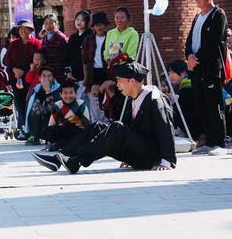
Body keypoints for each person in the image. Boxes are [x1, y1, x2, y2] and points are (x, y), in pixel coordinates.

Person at [33, 59, 177, 173]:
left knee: (116, 128)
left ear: (132, 81)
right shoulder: (132, 98)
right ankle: (58, 160)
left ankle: (76, 161)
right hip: (138, 151)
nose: (117, 85)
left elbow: (165, 129)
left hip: (150, 156)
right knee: (97, 126)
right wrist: (128, 153)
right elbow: (130, 130)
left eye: (120, 80)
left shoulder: (155, 99)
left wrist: (167, 160)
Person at [185, 0, 228, 155]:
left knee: (214, 105)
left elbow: (212, 42)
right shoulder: (197, 17)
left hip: (210, 70)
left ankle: (220, 143)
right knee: (202, 105)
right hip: (195, 69)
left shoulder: (218, 15)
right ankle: (209, 141)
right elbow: (189, 41)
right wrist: (188, 56)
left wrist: (197, 58)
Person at [6, 20, 42, 139]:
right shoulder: (13, 44)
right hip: (16, 79)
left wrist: (25, 72)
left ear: (31, 30)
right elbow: (8, 61)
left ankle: (32, 129)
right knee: (19, 104)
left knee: (31, 104)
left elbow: (38, 60)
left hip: (31, 79)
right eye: (21, 28)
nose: (23, 30)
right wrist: (15, 70)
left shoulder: (36, 43)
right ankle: (23, 129)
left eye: (26, 28)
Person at [45, 80, 91, 153]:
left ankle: (62, 145)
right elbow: (51, 124)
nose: (68, 96)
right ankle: (60, 144)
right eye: (65, 93)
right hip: (62, 130)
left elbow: (86, 124)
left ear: (75, 93)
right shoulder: (57, 105)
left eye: (71, 93)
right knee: (49, 130)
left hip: (76, 131)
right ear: (60, 94)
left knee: (81, 133)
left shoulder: (81, 104)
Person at [24, 66, 61, 145]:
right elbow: (30, 107)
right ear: (39, 78)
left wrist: (48, 91)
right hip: (40, 120)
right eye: (43, 76)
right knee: (35, 110)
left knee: (50, 113)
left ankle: (51, 137)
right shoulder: (35, 90)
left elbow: (53, 108)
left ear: (54, 78)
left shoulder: (59, 90)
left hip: (54, 121)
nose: (46, 78)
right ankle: (34, 135)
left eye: (49, 76)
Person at [82, 12, 110, 92]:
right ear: (94, 26)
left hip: (107, 72)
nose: (99, 27)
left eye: (101, 24)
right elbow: (85, 60)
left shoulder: (110, 37)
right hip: (93, 72)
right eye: (96, 25)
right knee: (94, 97)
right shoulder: (88, 40)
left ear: (105, 25)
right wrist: (85, 77)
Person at [39, 13, 68, 82]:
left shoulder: (61, 37)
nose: (48, 26)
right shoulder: (44, 38)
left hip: (59, 72)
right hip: (47, 73)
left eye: (51, 23)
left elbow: (67, 55)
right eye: (46, 23)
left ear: (56, 24)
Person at [65, 10, 93, 81]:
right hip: (73, 74)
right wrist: (68, 71)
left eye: (82, 20)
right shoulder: (73, 37)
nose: (79, 22)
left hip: (87, 74)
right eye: (77, 19)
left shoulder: (90, 35)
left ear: (87, 22)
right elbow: (68, 55)